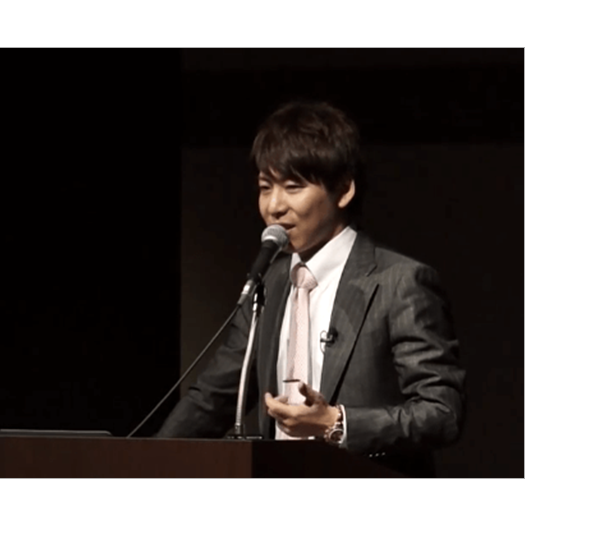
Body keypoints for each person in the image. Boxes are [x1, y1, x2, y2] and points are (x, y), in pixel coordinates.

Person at [154, 100, 465, 477]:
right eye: (265, 187)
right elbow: (213, 399)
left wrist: (338, 423)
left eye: (293, 187)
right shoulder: (269, 283)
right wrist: (144, 463)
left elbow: (442, 413)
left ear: (344, 190)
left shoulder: (399, 282)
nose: (274, 206)